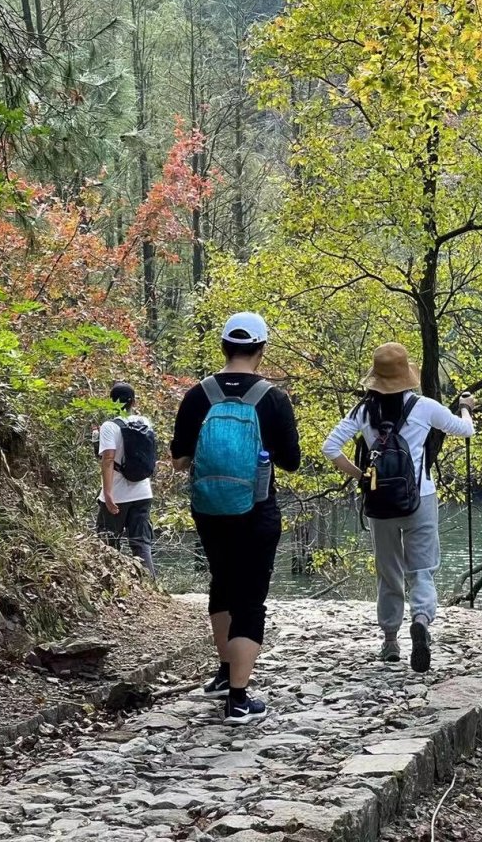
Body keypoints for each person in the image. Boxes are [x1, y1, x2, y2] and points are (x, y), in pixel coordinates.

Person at [171, 311, 300, 725]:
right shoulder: (273, 398)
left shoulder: (198, 395)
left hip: (209, 508)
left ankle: (225, 674)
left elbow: (178, 460)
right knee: (250, 597)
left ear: (224, 346)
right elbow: (293, 462)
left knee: (222, 583)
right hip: (257, 509)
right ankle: (239, 700)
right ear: (261, 350)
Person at [322, 342, 474, 673]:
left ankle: (390, 641)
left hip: (380, 500)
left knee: (388, 572)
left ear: (376, 378)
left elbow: (330, 447)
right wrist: (465, 407)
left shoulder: (364, 411)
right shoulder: (424, 407)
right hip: (421, 498)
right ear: (407, 375)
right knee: (421, 569)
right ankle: (420, 619)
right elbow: (466, 431)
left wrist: (362, 475)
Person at [96, 381, 157, 577]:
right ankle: (151, 588)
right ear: (134, 401)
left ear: (111, 401)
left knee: (107, 543)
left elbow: (108, 459)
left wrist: (107, 493)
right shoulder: (145, 422)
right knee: (141, 543)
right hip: (143, 492)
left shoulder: (109, 426)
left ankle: (114, 586)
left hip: (117, 495)